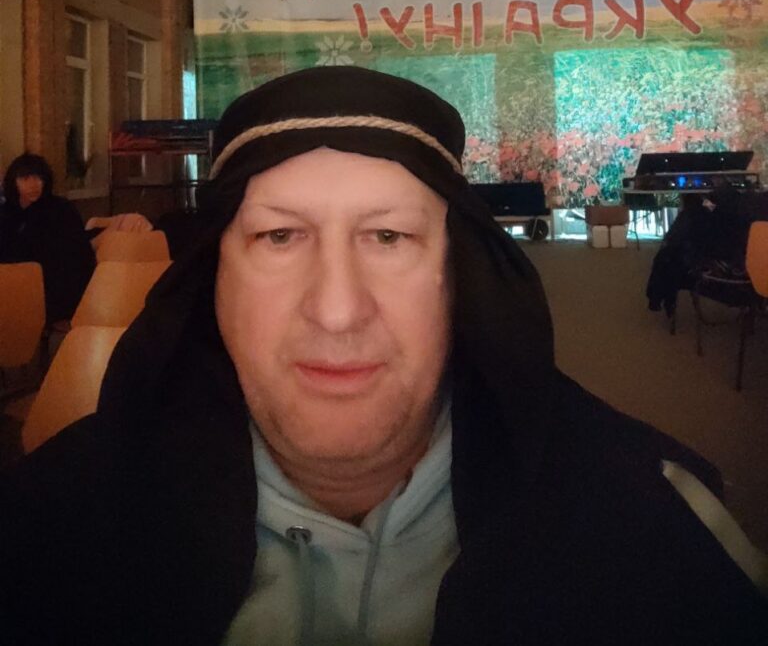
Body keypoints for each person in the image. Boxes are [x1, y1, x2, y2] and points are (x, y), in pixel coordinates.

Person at [1, 68, 766, 646]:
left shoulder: (659, 535)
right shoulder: (43, 534)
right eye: (279, 236)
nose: (337, 309)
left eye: (389, 236)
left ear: (457, 277)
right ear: (216, 281)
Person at [0, 152, 95, 326]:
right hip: (15, 284)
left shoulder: (61, 210)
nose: (33, 184)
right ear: (13, 182)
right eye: (25, 178)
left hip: (56, 287)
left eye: (38, 178)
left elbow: (76, 256)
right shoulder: (7, 213)